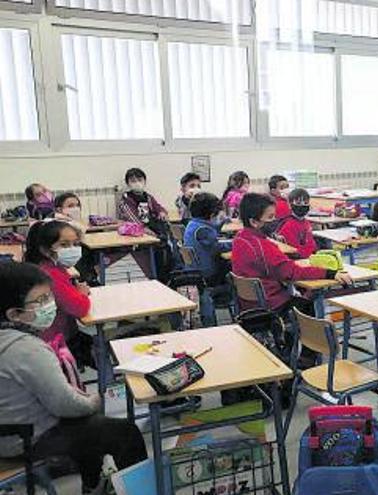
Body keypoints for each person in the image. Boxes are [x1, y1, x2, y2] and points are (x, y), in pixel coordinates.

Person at [0, 263, 147, 493]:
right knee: (124, 433)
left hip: (11, 429)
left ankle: (93, 482)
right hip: (23, 440)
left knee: (92, 424)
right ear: (13, 313)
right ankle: (136, 490)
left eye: (49, 296)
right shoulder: (26, 349)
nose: (50, 304)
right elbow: (66, 406)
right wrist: (95, 399)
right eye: (40, 301)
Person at [231, 193, 353, 316]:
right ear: (254, 222)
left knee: (301, 293)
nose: (274, 221)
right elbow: (293, 272)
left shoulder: (239, 238)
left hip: (249, 303)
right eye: (270, 217)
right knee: (313, 304)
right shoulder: (263, 247)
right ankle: (309, 334)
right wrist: (329, 273)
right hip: (272, 305)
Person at [25, 220, 92, 388]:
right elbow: (79, 308)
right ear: (46, 250)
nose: (72, 249)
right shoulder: (51, 274)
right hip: (53, 340)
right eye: (64, 244)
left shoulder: (49, 267)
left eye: (75, 243)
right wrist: (82, 294)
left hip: (51, 335)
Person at [183, 193, 232, 327]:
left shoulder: (193, 224)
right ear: (212, 214)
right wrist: (237, 242)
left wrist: (220, 223)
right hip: (207, 273)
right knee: (233, 266)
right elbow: (217, 247)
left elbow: (211, 235)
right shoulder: (203, 230)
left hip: (195, 269)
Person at [276, 188, 318, 258]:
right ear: (290, 205)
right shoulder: (288, 225)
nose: (303, 205)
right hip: (297, 258)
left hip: (309, 256)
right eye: (298, 203)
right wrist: (310, 254)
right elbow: (293, 250)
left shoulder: (306, 222)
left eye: (306, 203)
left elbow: (311, 243)